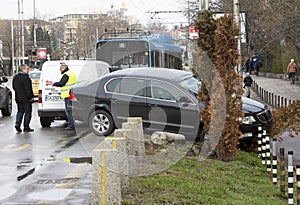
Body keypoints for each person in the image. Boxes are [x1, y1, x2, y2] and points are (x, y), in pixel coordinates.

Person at [53, 63, 77, 130]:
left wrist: (54, 84)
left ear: (63, 68)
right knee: (71, 111)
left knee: (68, 111)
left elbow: (61, 83)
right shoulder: (72, 73)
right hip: (71, 95)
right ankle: (72, 124)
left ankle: (71, 125)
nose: (60, 71)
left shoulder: (66, 75)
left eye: (60, 69)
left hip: (67, 95)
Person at [12, 64, 35, 133]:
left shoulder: (15, 77)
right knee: (28, 112)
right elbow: (28, 89)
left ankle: (17, 124)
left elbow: (14, 87)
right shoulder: (26, 78)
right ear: (23, 69)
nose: (28, 71)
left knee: (20, 111)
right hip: (26, 99)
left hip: (18, 98)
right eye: (27, 69)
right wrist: (31, 97)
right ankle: (26, 126)